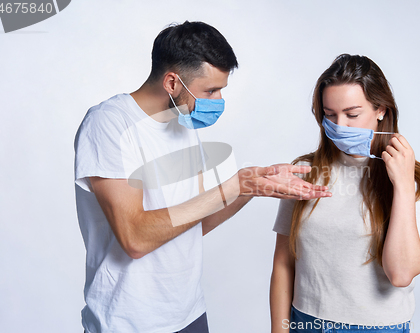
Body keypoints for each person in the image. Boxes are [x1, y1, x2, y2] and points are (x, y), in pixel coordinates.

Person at [74, 21, 330, 333]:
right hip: (129, 322)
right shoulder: (109, 124)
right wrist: (231, 186)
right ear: (172, 82)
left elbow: (193, 224)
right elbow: (136, 238)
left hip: (189, 314)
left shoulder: (181, 125)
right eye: (210, 90)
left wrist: (250, 186)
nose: (218, 100)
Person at [270, 54, 420, 333]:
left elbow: (401, 274)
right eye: (330, 115)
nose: (340, 126)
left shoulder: (418, 181)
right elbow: (283, 264)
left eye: (352, 114)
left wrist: (404, 187)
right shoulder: (304, 170)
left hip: (377, 327)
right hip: (305, 322)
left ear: (381, 109)